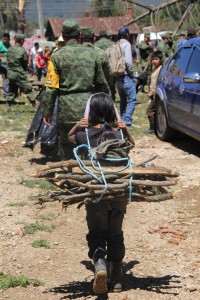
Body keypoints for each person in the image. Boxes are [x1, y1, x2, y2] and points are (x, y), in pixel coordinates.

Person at [68, 92, 135, 294]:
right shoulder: (118, 135)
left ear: (91, 112)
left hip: (97, 192)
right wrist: (126, 130)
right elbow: (131, 146)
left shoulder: (85, 135)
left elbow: (70, 137)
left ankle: (99, 266)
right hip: (119, 194)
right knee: (115, 233)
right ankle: (117, 280)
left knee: (97, 232)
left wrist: (79, 125)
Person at [42, 20, 110, 160]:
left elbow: (50, 88)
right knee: (90, 140)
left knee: (68, 142)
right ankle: (90, 171)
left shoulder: (57, 56)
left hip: (66, 108)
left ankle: (70, 171)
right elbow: (102, 84)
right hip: (89, 108)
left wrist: (47, 111)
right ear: (79, 35)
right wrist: (108, 106)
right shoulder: (92, 54)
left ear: (62, 36)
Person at [81, 27, 115, 100]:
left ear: (80, 38)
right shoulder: (101, 53)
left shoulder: (74, 53)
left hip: (80, 94)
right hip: (98, 94)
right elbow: (108, 75)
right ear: (94, 38)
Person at [114, 25, 138, 127]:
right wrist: (132, 74)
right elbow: (128, 62)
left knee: (123, 99)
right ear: (127, 34)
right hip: (125, 76)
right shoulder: (126, 44)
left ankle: (122, 119)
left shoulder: (116, 44)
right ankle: (127, 120)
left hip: (117, 77)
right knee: (132, 99)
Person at [6, 34, 37, 108]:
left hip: (11, 73)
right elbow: (25, 63)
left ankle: (8, 107)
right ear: (22, 41)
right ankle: (35, 106)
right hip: (19, 74)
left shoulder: (9, 49)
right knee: (28, 88)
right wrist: (27, 70)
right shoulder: (22, 50)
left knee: (12, 90)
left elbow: (8, 60)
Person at [144, 51, 163, 134]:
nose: (154, 61)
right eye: (153, 59)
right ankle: (155, 127)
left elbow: (158, 82)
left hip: (157, 94)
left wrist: (152, 91)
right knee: (154, 111)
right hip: (154, 95)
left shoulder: (160, 69)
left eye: (156, 59)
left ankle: (153, 128)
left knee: (149, 111)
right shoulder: (154, 69)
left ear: (160, 60)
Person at [0, 33, 12, 99]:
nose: (5, 41)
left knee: (7, 78)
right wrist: (1, 58)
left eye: (6, 39)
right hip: (0, 63)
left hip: (6, 65)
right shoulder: (0, 44)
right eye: (4, 39)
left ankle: (6, 94)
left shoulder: (10, 45)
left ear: (9, 39)